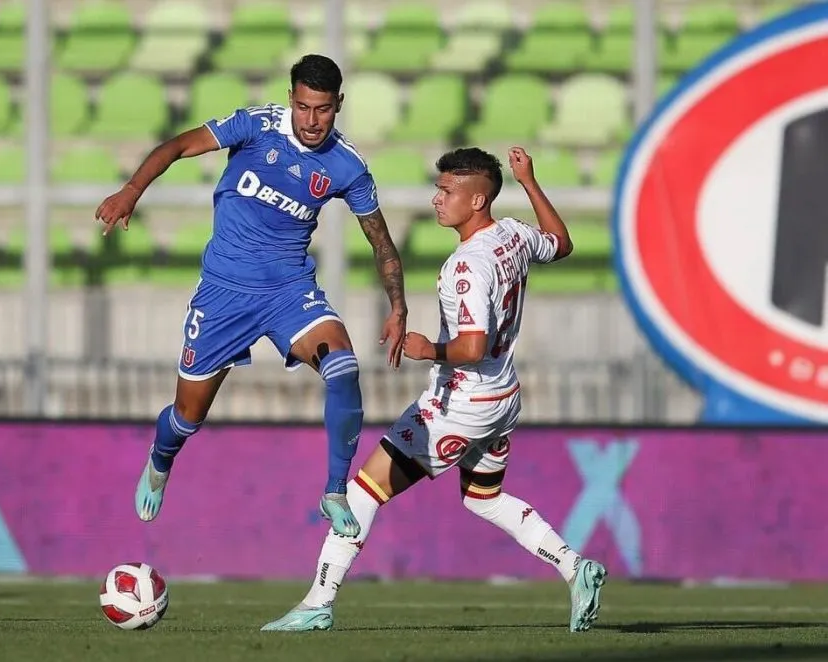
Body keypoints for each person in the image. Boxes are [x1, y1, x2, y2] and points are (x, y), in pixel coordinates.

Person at [260, 146, 607, 634]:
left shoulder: (467, 267)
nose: (436, 199)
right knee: (483, 497)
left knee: (362, 491)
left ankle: (318, 602)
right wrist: (529, 181)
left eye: (448, 191)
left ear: (478, 199)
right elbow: (560, 242)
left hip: (461, 403)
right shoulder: (512, 233)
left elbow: (471, 346)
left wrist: (429, 349)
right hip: (502, 397)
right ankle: (575, 567)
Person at [94, 54, 408, 538]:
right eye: (303, 107)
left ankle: (333, 491)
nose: (311, 120)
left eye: (323, 110)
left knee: (343, 366)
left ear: (338, 105)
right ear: (291, 99)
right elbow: (178, 145)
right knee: (187, 417)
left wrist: (399, 306)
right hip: (223, 294)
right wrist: (132, 190)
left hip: (289, 292)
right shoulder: (255, 126)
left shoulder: (347, 166)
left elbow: (381, 241)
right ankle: (160, 461)